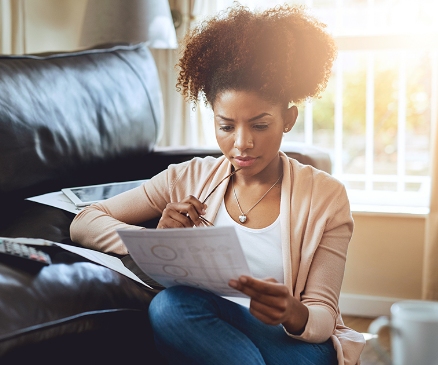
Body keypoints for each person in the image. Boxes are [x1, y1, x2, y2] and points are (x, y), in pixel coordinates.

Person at [70, 4, 365, 365]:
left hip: (294, 345)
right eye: (226, 126)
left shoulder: (325, 197)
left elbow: (321, 317)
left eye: (259, 125)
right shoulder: (186, 177)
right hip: (211, 329)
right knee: (169, 307)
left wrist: (292, 311)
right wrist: (154, 242)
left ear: (288, 119)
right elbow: (84, 221)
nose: (242, 144)